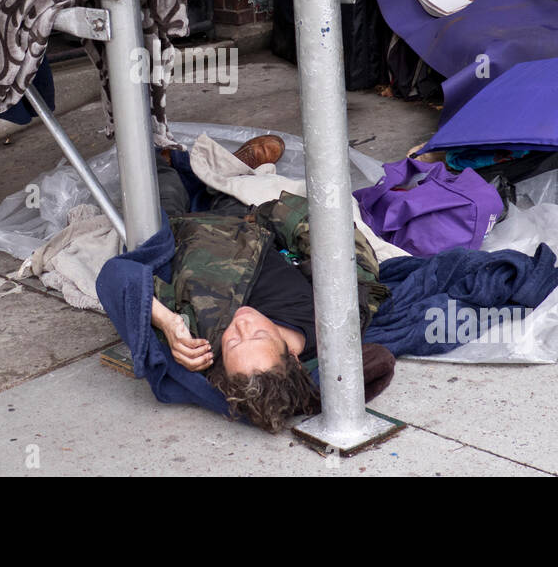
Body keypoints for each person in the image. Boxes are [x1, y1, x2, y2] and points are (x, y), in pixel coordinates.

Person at [147, 136, 394, 432]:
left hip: (179, 236)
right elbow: (340, 243)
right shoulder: (333, 321)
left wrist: (166, 323)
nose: (242, 325)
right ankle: (220, 169)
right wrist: (272, 216)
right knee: (232, 185)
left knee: (158, 186)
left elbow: (121, 279)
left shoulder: (200, 344)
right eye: (260, 335)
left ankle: (164, 158)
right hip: (248, 223)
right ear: (292, 356)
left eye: (234, 342)